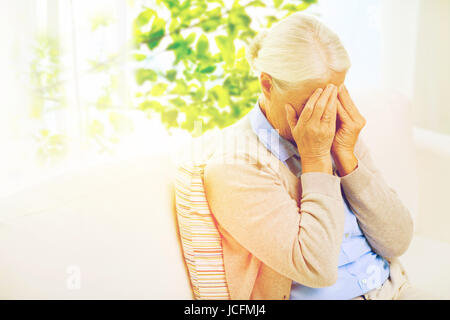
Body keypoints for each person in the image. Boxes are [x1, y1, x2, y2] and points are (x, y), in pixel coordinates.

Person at [202, 12, 425, 300]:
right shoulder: (235, 165)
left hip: (393, 289)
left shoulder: (338, 132)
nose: (326, 114)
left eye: (334, 95)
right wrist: (316, 160)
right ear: (267, 85)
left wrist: (348, 161)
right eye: (311, 102)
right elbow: (316, 269)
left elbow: (397, 240)